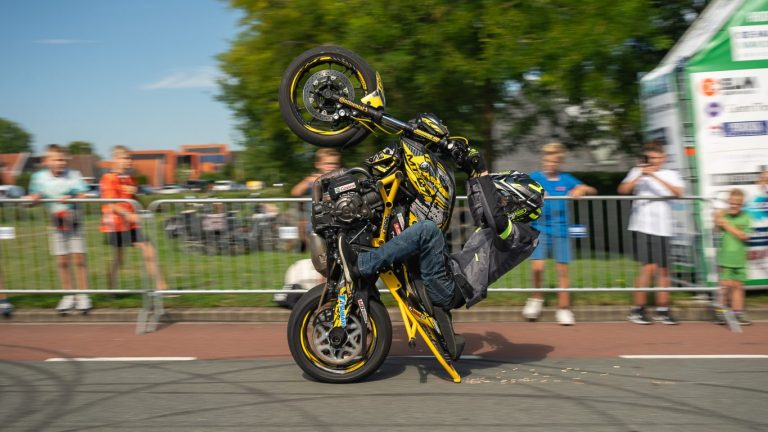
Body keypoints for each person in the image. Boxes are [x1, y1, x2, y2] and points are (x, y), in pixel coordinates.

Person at [338, 148, 542, 360]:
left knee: (428, 230)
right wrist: (470, 172)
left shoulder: (523, 236)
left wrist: (483, 173)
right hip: (447, 275)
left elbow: (497, 218)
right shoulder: (505, 228)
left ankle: (361, 265)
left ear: (520, 205)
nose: (499, 202)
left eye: (503, 200)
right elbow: (481, 210)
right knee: (409, 219)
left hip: (450, 288)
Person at [524, 143, 597, 325]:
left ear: (559, 162)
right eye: (547, 160)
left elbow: (591, 189)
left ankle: (564, 309)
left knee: (562, 270)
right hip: (539, 228)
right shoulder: (535, 178)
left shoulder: (566, 179)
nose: (550, 163)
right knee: (537, 267)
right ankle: (536, 299)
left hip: (561, 229)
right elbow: (520, 190)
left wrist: (582, 190)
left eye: (554, 160)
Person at [618, 140, 684, 325]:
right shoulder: (637, 171)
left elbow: (678, 192)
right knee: (648, 268)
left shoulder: (670, 174)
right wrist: (640, 174)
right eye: (650, 158)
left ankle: (663, 309)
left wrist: (654, 176)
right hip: (643, 226)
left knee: (663, 270)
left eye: (656, 158)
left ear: (663, 158)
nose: (653, 161)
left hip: (663, 227)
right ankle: (637, 309)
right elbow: (623, 190)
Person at [27, 144, 91, 313]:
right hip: (56, 222)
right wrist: (33, 199)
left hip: (74, 219)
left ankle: (83, 295)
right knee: (62, 260)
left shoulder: (74, 175)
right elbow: (36, 195)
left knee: (79, 259)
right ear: (47, 161)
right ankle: (68, 295)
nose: (60, 163)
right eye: (56, 159)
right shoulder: (39, 177)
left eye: (63, 159)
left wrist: (71, 197)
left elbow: (83, 194)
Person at [100, 146, 168, 292]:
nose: (129, 161)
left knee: (149, 251)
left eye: (130, 158)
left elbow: (133, 199)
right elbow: (110, 203)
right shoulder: (108, 178)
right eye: (125, 158)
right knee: (119, 259)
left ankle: (162, 288)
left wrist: (143, 209)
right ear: (115, 160)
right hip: (115, 225)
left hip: (131, 225)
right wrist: (127, 214)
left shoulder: (131, 179)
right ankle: (110, 289)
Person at [714, 188, 752, 325]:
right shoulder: (724, 216)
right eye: (732, 203)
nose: (734, 206)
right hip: (726, 258)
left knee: (737, 286)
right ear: (729, 202)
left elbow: (743, 235)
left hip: (740, 258)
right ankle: (720, 313)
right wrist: (718, 217)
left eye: (738, 203)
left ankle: (738, 314)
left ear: (742, 204)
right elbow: (716, 227)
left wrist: (726, 224)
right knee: (724, 286)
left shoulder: (746, 217)